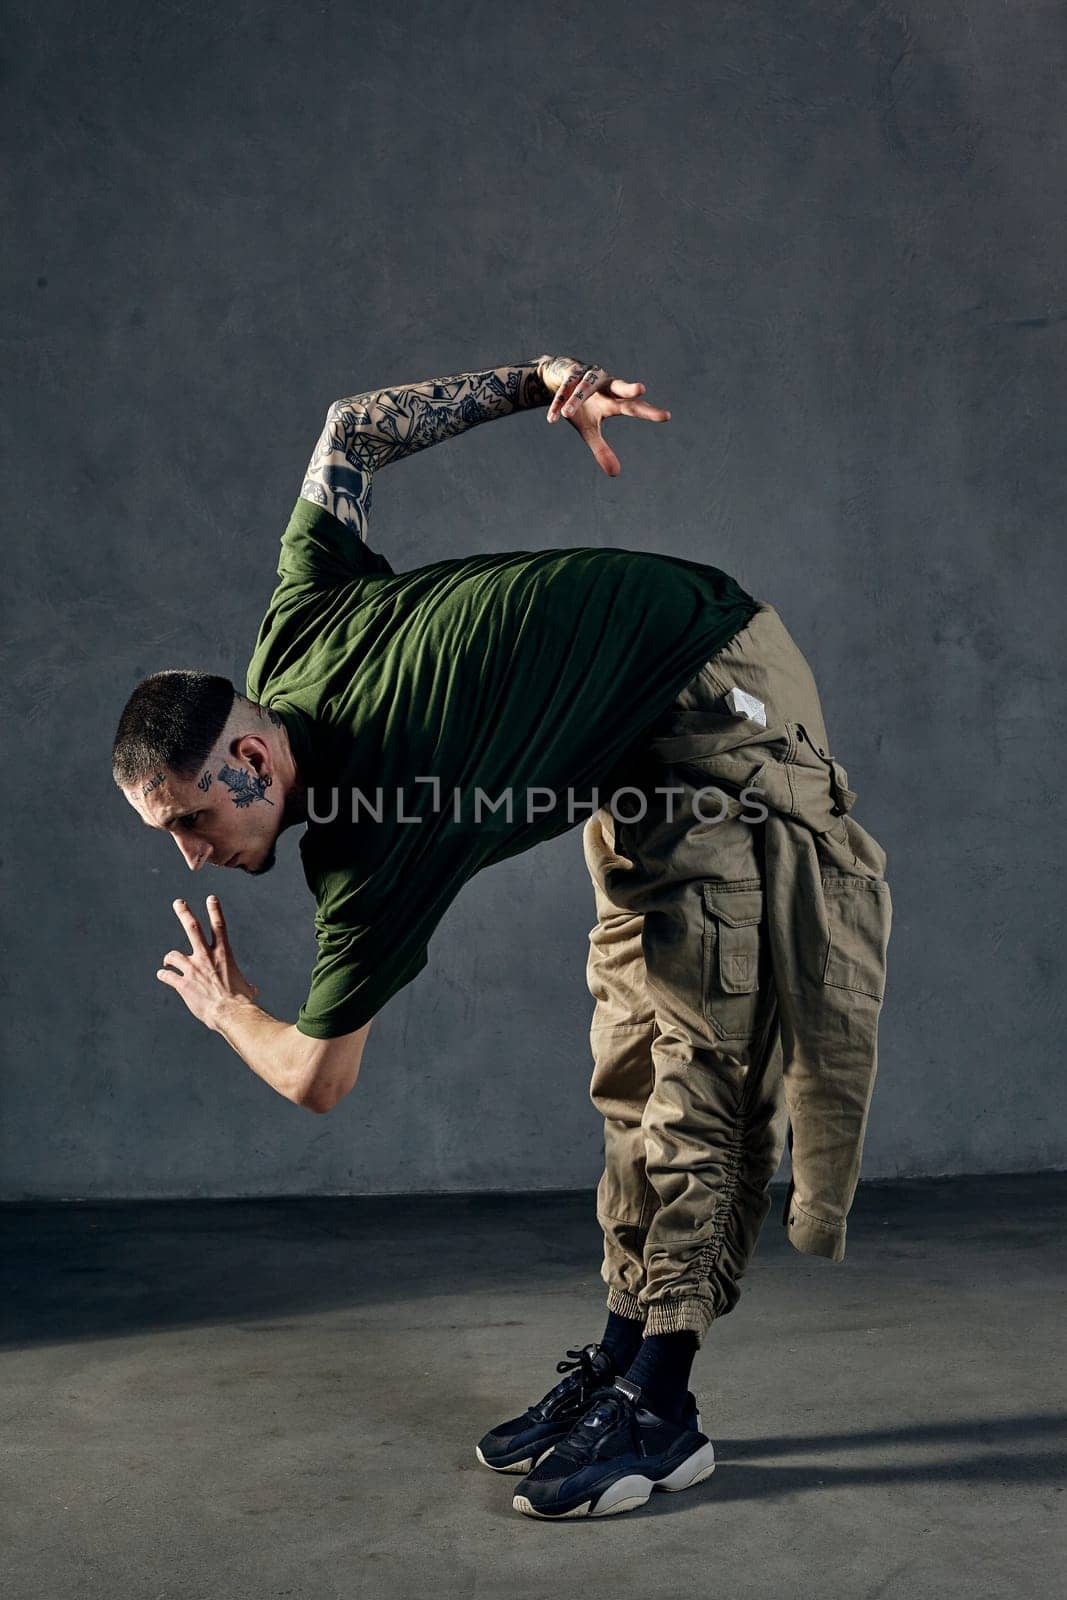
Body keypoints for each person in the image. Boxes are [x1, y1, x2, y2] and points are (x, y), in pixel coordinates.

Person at [112, 354, 891, 1521]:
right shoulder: (292, 633)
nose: (189, 851)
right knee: (630, 1061)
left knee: (697, 1070)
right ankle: (622, 1357)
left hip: (721, 701)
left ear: (251, 758)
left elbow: (318, 1079)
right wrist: (541, 378)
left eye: (191, 820)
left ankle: (663, 1414)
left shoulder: (373, 845)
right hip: (633, 740)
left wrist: (227, 1008)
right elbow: (350, 430)